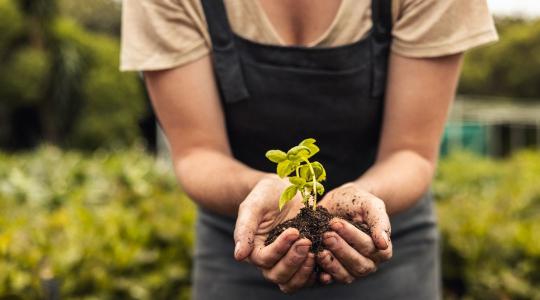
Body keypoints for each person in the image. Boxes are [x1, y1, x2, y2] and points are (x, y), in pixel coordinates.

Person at [121, 0, 498, 299]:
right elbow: (196, 153)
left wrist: (364, 199)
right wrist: (259, 193)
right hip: (242, 242)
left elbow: (412, 151)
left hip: (387, 239)